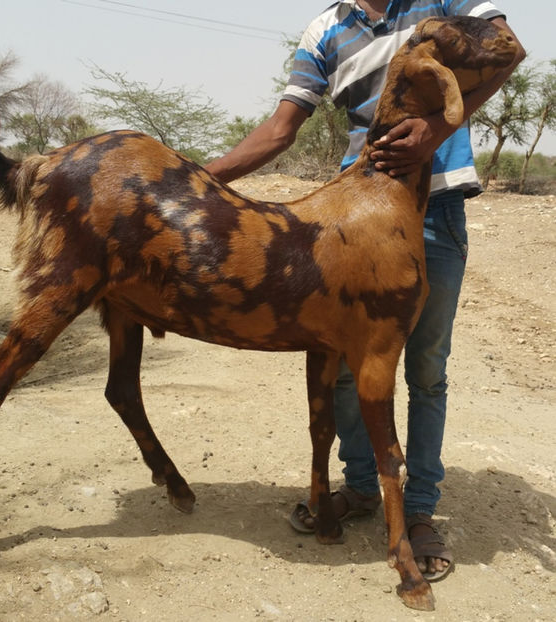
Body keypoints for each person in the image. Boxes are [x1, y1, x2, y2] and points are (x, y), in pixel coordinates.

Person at [206, 1, 525, 582]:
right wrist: (192, 181)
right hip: (352, 214)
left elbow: (507, 48)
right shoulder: (325, 29)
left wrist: (437, 130)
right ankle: (360, 488)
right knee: (348, 365)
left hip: (436, 203)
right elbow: (281, 127)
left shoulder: (444, 5)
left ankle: (421, 510)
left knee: (426, 367)